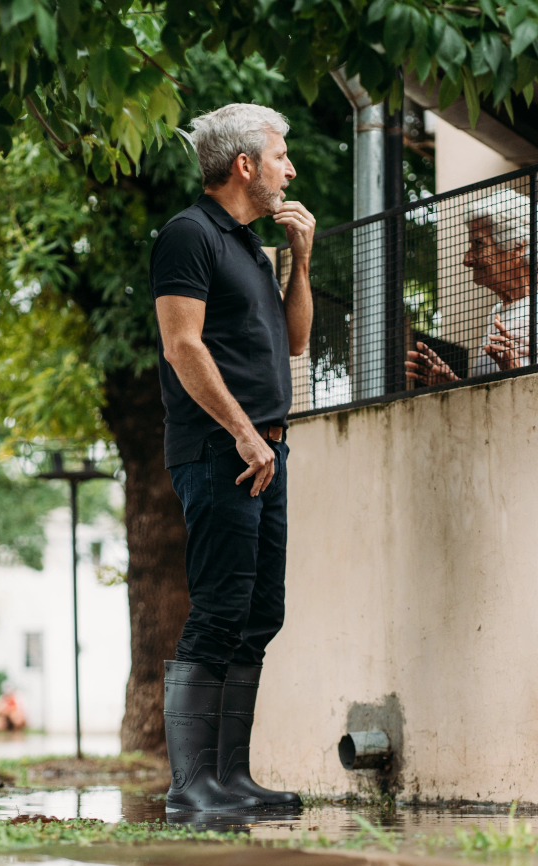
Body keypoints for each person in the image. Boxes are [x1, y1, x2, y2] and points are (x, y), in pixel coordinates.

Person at [150, 103, 316, 814]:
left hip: (265, 453)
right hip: (223, 450)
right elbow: (183, 344)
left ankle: (231, 781)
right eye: (281, 155)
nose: (291, 169)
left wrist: (301, 262)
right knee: (219, 608)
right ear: (244, 165)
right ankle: (193, 789)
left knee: (258, 613)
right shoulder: (190, 235)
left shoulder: (250, 245)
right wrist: (245, 432)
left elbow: (296, 342)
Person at [406, 187, 538, 386]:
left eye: (478, 244)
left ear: (517, 247)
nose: (467, 259)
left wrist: (515, 372)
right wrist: (452, 386)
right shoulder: (498, 312)